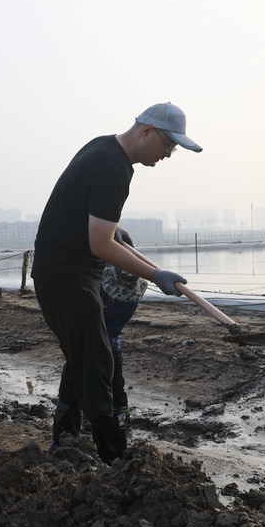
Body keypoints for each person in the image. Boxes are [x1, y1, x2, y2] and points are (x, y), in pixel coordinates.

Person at [32, 102, 201, 463]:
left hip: (61, 272)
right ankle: (114, 458)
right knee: (96, 365)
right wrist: (154, 274)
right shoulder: (113, 166)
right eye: (168, 145)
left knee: (84, 358)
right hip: (67, 277)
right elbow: (100, 245)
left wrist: (113, 228)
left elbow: (85, 212)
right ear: (147, 131)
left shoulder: (102, 147)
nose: (168, 155)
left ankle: (64, 444)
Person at [101, 228, 148, 427]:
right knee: (114, 383)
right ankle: (120, 424)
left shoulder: (110, 296)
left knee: (101, 382)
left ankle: (109, 423)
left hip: (101, 338)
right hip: (106, 339)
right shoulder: (130, 297)